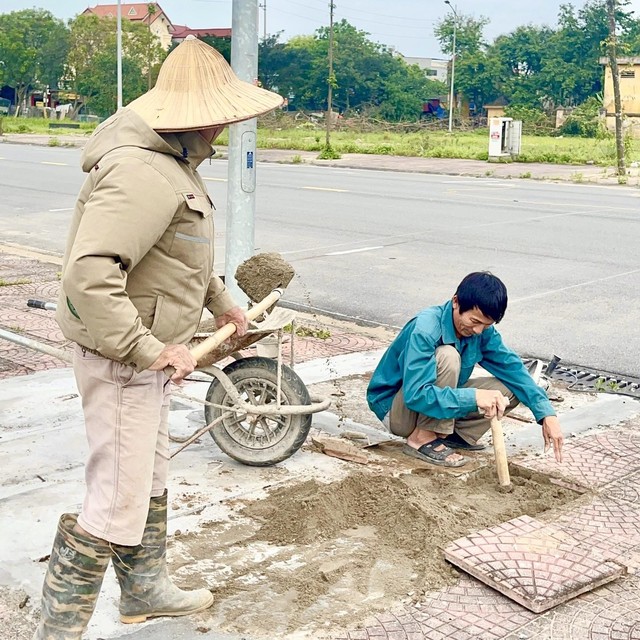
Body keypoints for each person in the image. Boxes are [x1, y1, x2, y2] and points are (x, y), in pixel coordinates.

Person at [34, 36, 283, 640]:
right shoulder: (143, 172)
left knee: (147, 477)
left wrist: (224, 306)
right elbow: (90, 274)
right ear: (200, 115)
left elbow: (177, 260)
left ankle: (144, 590)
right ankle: (58, 629)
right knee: (115, 498)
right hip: (122, 357)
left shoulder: (172, 163)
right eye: (225, 114)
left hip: (141, 362)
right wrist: (151, 350)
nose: (229, 125)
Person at [367, 272, 564, 468]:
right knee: (448, 356)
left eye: (486, 325)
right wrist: (474, 397)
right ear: (456, 302)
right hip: (397, 410)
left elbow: (514, 370)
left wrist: (547, 414)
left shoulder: (482, 332)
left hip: (431, 403)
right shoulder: (426, 329)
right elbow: (416, 395)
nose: (478, 331)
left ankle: (454, 435)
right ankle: (422, 437)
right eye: (475, 321)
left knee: (510, 389)